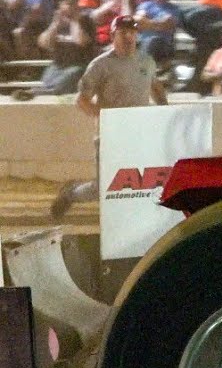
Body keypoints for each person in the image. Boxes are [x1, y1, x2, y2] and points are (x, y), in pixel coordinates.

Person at [52, 14, 167, 218]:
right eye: (123, 33)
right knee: (104, 188)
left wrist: (165, 111)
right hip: (110, 137)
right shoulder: (100, 65)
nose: (128, 37)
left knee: (139, 182)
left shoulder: (146, 61)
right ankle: (71, 194)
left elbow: (154, 86)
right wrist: (105, 118)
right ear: (113, 35)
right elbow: (82, 100)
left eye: (132, 32)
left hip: (140, 133)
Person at [16, 0, 95, 98]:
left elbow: (81, 41)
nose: (73, 7)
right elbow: (44, 43)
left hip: (78, 65)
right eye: (69, 4)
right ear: (61, 6)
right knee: (47, 83)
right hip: (58, 65)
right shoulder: (56, 23)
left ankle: (32, 93)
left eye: (75, 4)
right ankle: (36, 93)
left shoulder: (86, 21)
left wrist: (75, 21)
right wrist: (55, 24)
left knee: (60, 86)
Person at [135, 0, 180, 66]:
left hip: (164, 45)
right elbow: (138, 22)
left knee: (154, 40)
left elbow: (167, 25)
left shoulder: (174, 8)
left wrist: (146, 22)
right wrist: (157, 24)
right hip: (142, 43)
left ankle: (143, 69)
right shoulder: (145, 5)